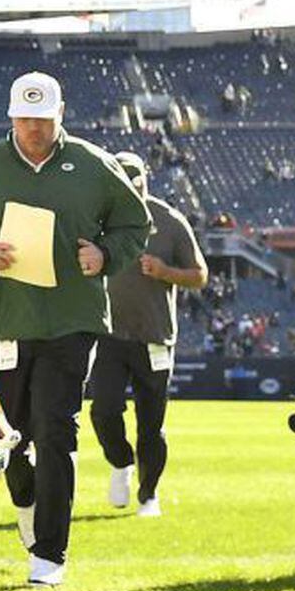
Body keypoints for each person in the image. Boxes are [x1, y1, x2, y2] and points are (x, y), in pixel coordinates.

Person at [0, 72, 151, 587]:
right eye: (25, 118)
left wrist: (105, 255)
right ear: (11, 117)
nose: (34, 129)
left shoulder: (95, 166)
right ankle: (27, 499)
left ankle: (50, 554)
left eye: (43, 119)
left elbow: (135, 224)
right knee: (8, 434)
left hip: (71, 321)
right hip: (5, 321)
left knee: (56, 429)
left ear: (60, 116)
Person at [89, 152, 207, 517]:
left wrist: (165, 271)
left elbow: (200, 275)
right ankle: (121, 462)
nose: (129, 186)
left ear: (146, 178)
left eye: (134, 179)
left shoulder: (169, 221)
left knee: (151, 424)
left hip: (154, 335)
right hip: (108, 332)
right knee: (103, 411)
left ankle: (149, 493)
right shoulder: (96, 217)